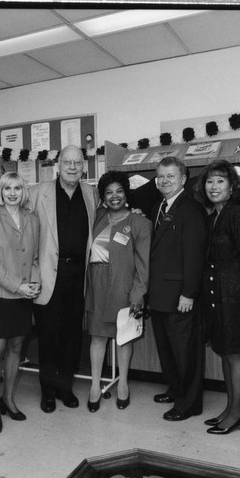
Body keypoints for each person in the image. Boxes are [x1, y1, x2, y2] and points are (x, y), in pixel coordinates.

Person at [28, 145, 100, 413]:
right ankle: (47, 390)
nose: (72, 167)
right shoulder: (37, 193)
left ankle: (65, 387)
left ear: (84, 166)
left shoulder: (91, 194)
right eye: (67, 162)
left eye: (77, 163)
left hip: (79, 276)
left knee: (72, 335)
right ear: (58, 164)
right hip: (48, 274)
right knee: (48, 336)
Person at [194, 160, 240, 434]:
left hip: (235, 297)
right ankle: (230, 408)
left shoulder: (237, 216)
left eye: (220, 181)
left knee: (234, 355)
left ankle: (236, 413)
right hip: (217, 296)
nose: (214, 186)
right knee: (225, 353)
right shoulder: (214, 216)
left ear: (232, 186)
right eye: (210, 181)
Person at [85, 171, 152, 412]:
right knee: (98, 336)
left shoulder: (140, 223)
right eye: (109, 193)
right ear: (103, 198)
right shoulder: (97, 217)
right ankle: (94, 386)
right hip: (97, 284)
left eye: (119, 191)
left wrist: (138, 294)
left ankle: (123, 383)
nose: (114, 196)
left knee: (124, 337)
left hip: (125, 286)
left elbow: (144, 263)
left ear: (126, 194)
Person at [0, 172, 41, 434]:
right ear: (1, 192)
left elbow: (36, 258)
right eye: (8, 188)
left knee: (17, 349)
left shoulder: (32, 218)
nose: (13, 193)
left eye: (17, 188)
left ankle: (9, 399)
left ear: (23, 191)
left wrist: (35, 284)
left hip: (24, 295)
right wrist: (18, 286)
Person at [148, 157, 207, 421]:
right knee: (168, 350)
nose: (164, 181)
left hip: (179, 295)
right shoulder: (159, 206)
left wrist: (188, 293)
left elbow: (195, 256)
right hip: (159, 294)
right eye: (160, 176)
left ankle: (190, 403)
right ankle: (176, 389)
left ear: (183, 179)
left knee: (185, 352)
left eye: (170, 176)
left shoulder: (190, 208)